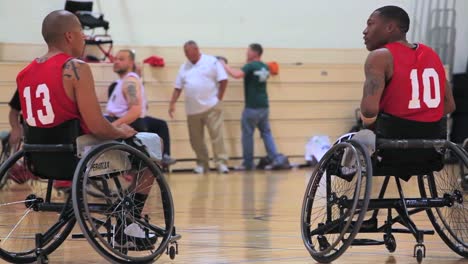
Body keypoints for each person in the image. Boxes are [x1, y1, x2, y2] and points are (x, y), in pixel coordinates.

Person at [15, 10, 156, 249]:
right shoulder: (75, 67)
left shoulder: (24, 73)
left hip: (38, 158)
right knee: (152, 144)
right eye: (82, 31)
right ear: (70, 35)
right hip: (76, 156)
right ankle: (128, 225)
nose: (85, 38)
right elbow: (96, 126)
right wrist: (120, 131)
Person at [360, 5, 455, 128]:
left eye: (370, 24)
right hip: (432, 140)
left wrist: (368, 128)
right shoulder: (431, 54)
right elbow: (449, 104)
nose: (365, 31)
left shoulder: (380, 56)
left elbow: (369, 110)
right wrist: (420, 124)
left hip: (392, 138)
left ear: (389, 27)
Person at [169, 40, 229, 174]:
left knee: (216, 136)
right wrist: (172, 103)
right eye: (185, 53)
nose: (188, 55)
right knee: (196, 140)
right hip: (192, 110)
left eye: (189, 52)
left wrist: (219, 98)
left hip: (212, 106)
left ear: (197, 50)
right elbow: (178, 87)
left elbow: (223, 79)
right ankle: (202, 163)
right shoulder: (184, 67)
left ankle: (221, 163)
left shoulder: (211, 61)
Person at [222, 43, 281, 170]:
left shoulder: (250, 66)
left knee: (247, 135)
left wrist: (224, 65)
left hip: (252, 107)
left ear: (255, 53)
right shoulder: (264, 66)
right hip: (264, 106)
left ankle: (248, 163)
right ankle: (275, 158)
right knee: (266, 133)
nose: (246, 54)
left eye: (248, 51)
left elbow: (237, 75)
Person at [108, 81, 177, 166]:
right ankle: (143, 161)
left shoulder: (135, 83)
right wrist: (116, 124)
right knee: (142, 127)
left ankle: (164, 155)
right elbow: (134, 110)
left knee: (161, 124)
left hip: (139, 117)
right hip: (125, 118)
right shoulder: (123, 84)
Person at [105, 49, 147, 132]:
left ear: (131, 63)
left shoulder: (130, 82)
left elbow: (135, 111)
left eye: (121, 59)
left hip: (128, 124)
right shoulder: (120, 82)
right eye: (115, 59)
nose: (116, 62)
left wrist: (113, 126)